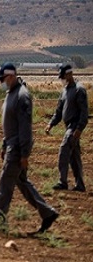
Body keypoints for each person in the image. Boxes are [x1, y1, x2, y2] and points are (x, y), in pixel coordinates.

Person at [0, 63, 59, 234]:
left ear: (10, 76)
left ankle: (1, 220)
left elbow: (25, 128)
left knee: (5, 183)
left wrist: (24, 154)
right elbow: (10, 124)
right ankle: (47, 213)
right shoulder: (11, 93)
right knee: (22, 182)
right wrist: (4, 144)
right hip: (11, 145)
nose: (0, 82)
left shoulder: (22, 96)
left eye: (2, 79)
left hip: (18, 147)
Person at [45, 64, 89, 192]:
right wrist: (51, 124)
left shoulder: (79, 90)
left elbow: (84, 113)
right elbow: (59, 111)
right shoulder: (65, 91)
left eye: (64, 76)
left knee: (64, 151)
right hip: (68, 127)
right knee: (74, 158)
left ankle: (62, 181)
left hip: (74, 127)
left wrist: (79, 129)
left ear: (70, 74)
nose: (62, 79)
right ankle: (80, 185)